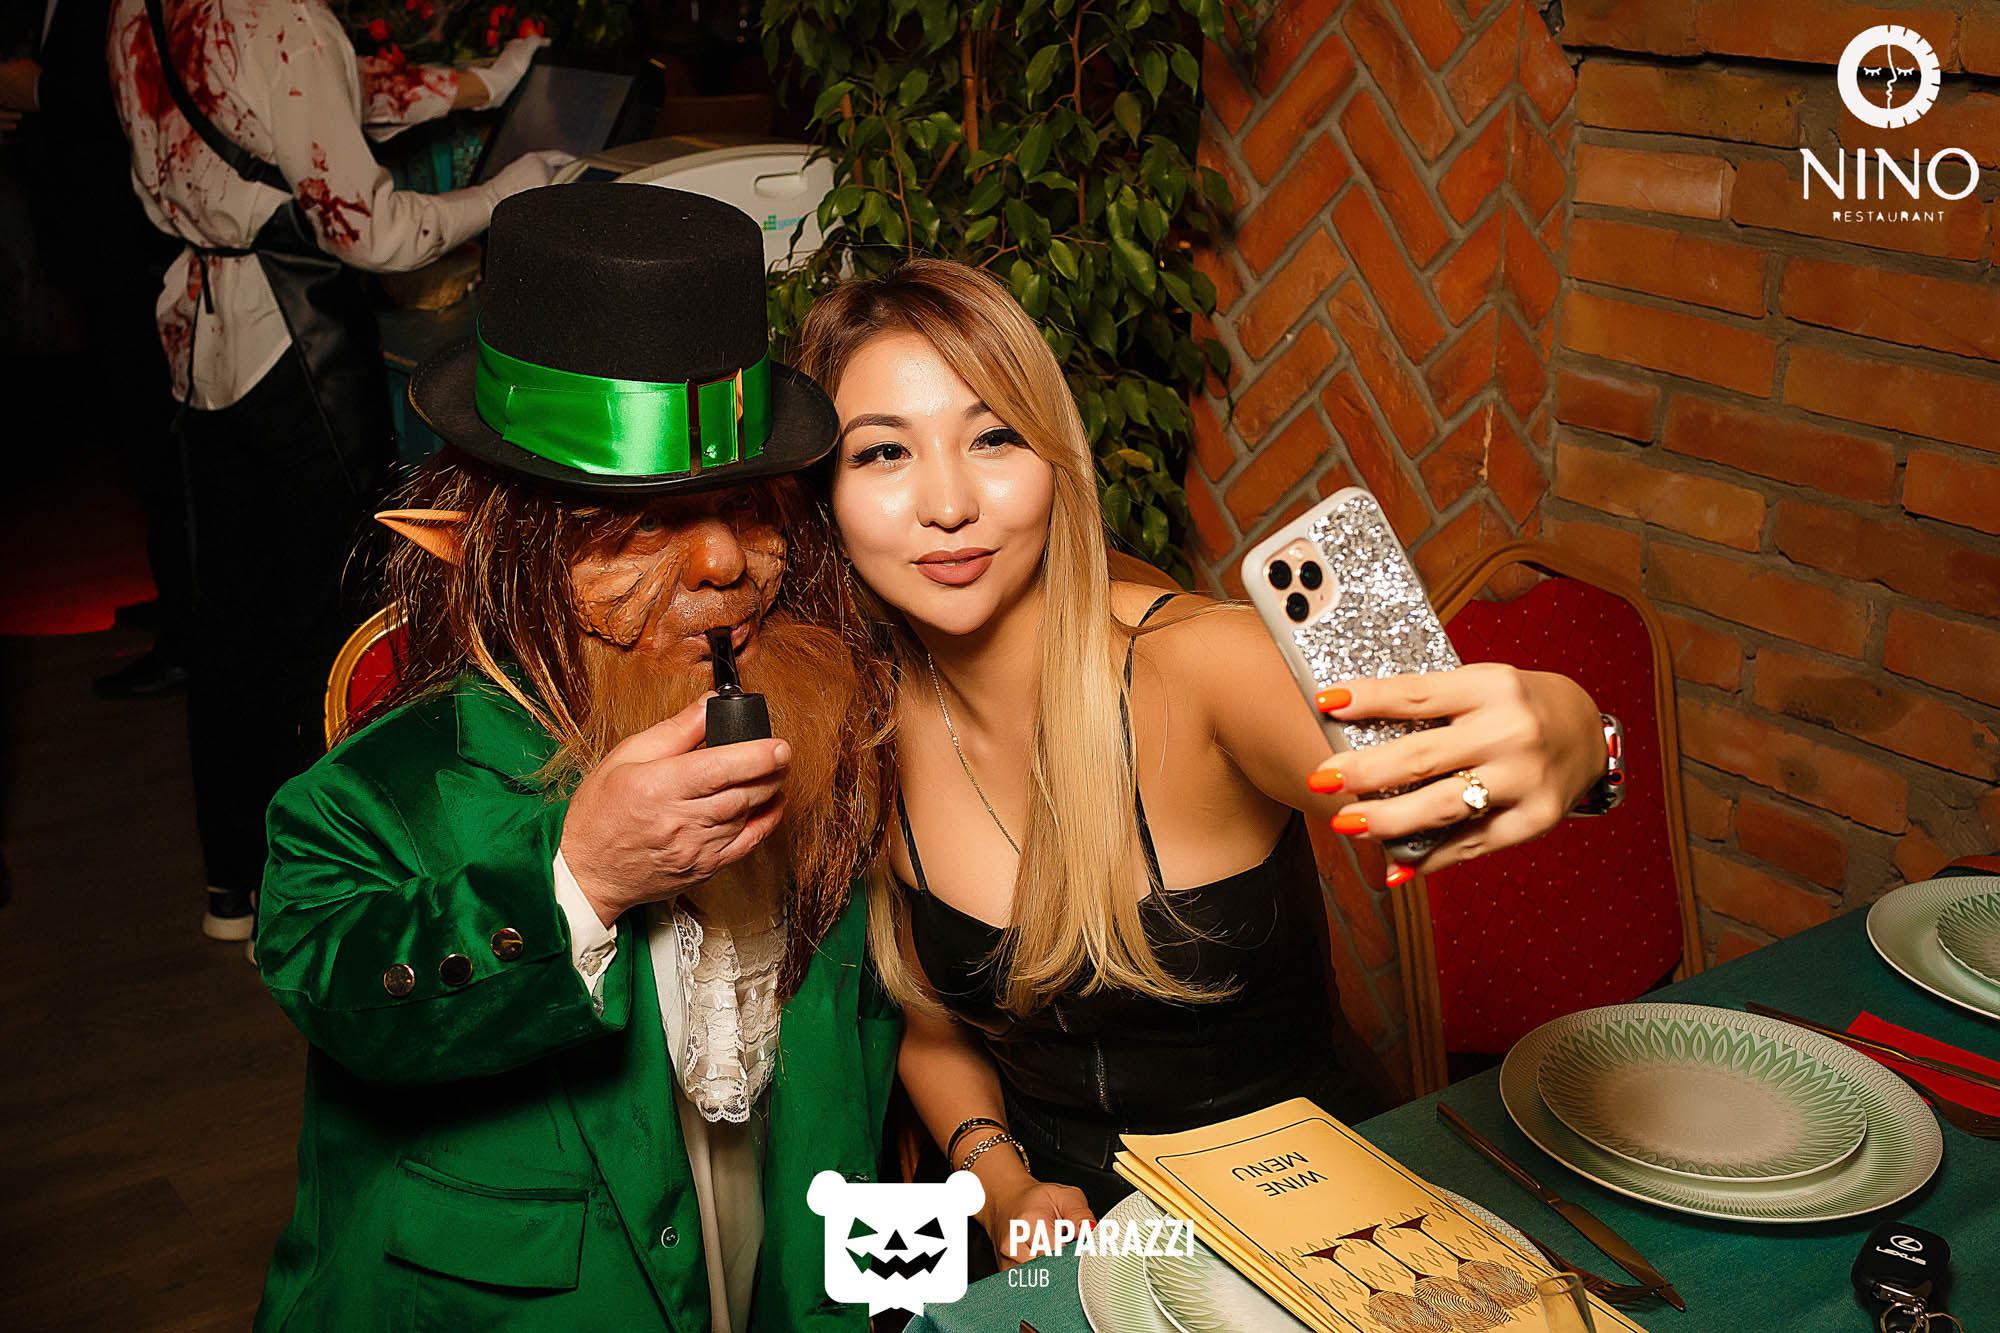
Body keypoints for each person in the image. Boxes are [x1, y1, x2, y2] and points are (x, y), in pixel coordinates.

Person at [794, 259, 1619, 1263]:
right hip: (1059, 1252)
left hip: (1313, 1235)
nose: (948, 502)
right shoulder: (859, 718)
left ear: (1055, 458)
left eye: (994, 436)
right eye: (883, 452)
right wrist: (1002, 1183)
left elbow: (1438, 762)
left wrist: (1572, 730)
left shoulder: (1198, 667)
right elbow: (929, 1025)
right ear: (825, 494)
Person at [253, 185, 897, 1331]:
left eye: (749, 506)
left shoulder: (832, 725)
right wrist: (581, 881)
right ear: (519, 544)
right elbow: (343, 994)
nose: (723, 561)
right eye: (645, 522)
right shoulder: (375, 796)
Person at [104, 0, 567, 945]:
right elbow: (370, 229)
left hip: (198, 337)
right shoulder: (286, 15)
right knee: (338, 618)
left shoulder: (136, 9)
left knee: (229, 621)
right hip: (290, 342)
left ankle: (234, 883)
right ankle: (332, 893)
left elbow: (304, 98)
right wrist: (505, 194)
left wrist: (489, 80)